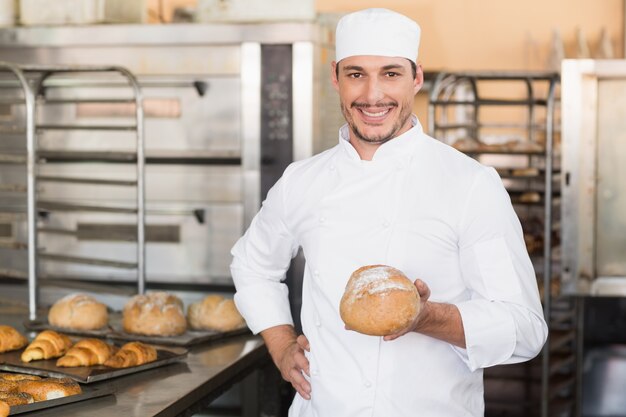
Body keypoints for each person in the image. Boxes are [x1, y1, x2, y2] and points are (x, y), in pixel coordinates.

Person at [230, 8, 548, 417]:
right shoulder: (302, 181)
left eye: (391, 74)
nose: (372, 95)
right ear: (336, 77)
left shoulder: (469, 183)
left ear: (417, 78)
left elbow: (524, 328)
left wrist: (426, 317)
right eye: (356, 74)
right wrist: (280, 344)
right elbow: (252, 265)